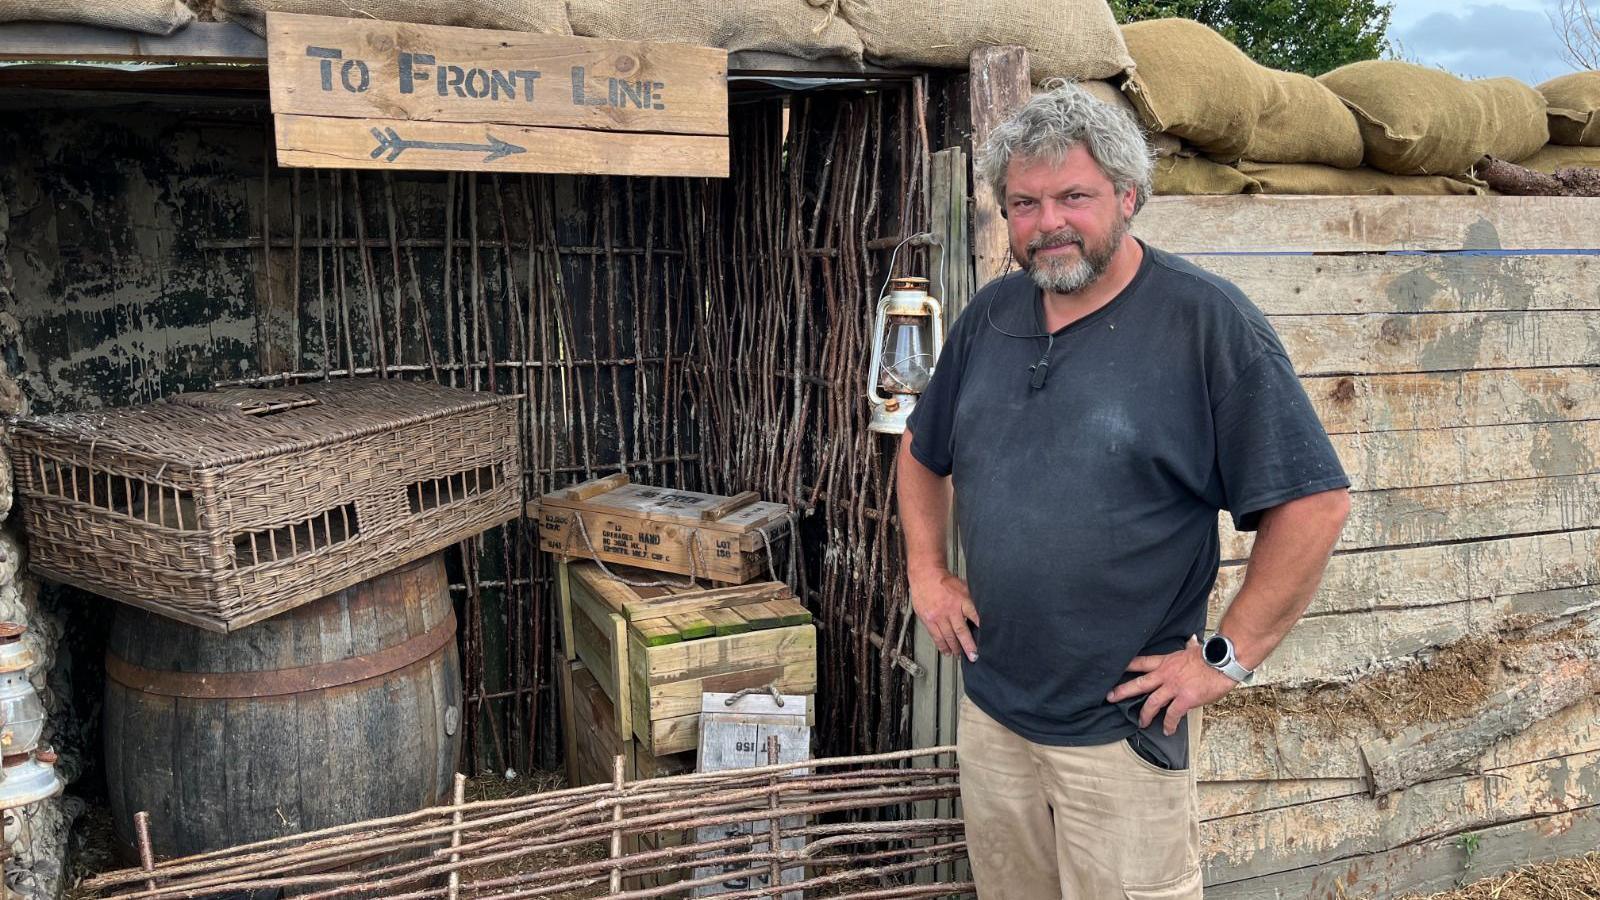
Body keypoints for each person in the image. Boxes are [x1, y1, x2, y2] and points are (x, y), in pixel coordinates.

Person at [895, 82, 1352, 899]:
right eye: (1025, 203)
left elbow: (1313, 505)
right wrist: (927, 573)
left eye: (1074, 196)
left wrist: (1225, 658)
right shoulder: (990, 317)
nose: (1047, 224)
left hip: (1122, 731)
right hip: (995, 715)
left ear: (1129, 196)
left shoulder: (1206, 324)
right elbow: (921, 453)